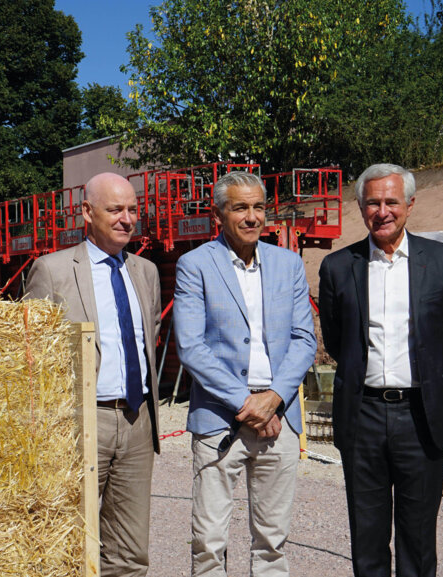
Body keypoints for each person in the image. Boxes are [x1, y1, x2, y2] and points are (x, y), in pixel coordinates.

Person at [318, 163, 443, 577]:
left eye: (391, 201)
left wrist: (432, 376)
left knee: (418, 538)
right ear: (360, 208)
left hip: (422, 415)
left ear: (409, 204)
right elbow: (337, 341)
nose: (382, 211)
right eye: (372, 203)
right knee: (367, 537)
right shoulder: (338, 267)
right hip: (363, 416)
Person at [173, 171, 316, 576]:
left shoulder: (288, 264)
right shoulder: (195, 266)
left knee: (273, 542)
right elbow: (191, 347)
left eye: (258, 207)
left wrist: (273, 399)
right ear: (219, 213)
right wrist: (247, 403)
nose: (252, 217)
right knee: (208, 542)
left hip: (279, 419)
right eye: (240, 208)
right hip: (220, 419)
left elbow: (304, 339)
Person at [26, 172, 161, 576]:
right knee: (68, 542)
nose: (127, 219)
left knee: (130, 552)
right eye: (115, 209)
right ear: (87, 212)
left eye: (133, 209)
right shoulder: (52, 271)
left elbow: (150, 336)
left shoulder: (146, 272)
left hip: (137, 422)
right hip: (80, 423)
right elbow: (29, 356)